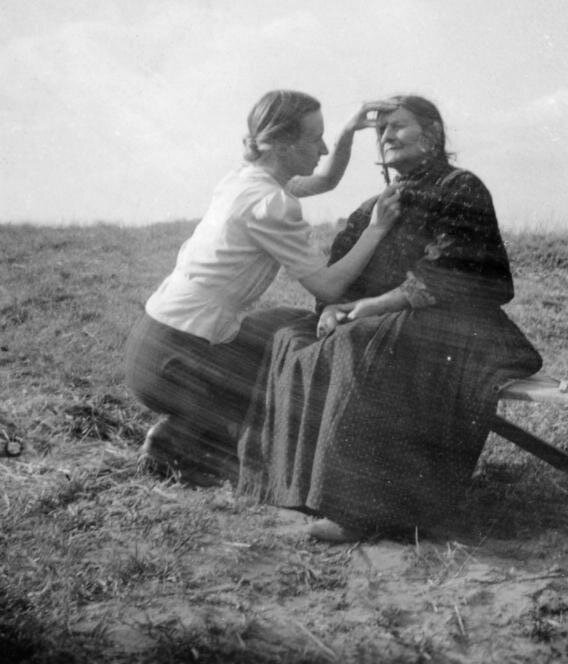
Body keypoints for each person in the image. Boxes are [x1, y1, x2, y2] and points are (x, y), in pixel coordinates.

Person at [237, 94, 542, 542]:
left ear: (433, 134)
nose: (386, 136)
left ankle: (362, 511)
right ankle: (292, 486)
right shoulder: (375, 205)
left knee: (370, 341)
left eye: (398, 126)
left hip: (460, 326)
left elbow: (459, 272)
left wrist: (370, 308)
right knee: (289, 334)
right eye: (380, 131)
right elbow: (345, 268)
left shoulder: (461, 187)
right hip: (390, 322)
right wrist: (333, 310)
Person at [124, 89, 401, 484]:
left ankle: (195, 428)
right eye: (314, 139)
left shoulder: (246, 179)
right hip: (174, 362)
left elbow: (326, 179)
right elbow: (329, 286)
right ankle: (179, 437)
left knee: (288, 325)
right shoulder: (271, 203)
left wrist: (349, 130)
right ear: (284, 146)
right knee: (282, 365)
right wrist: (377, 228)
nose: (323, 148)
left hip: (154, 344)